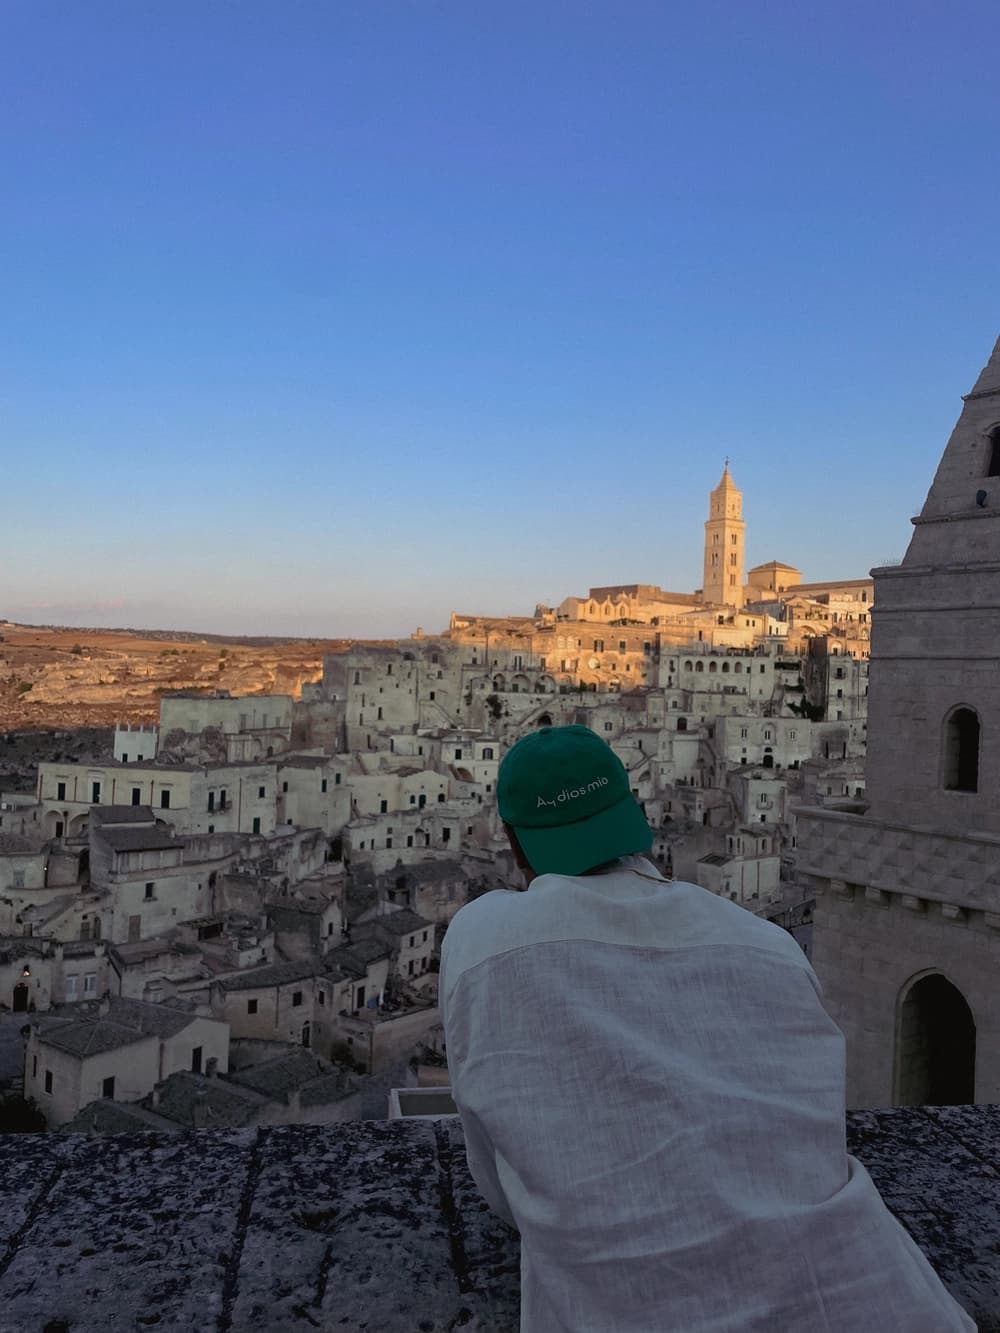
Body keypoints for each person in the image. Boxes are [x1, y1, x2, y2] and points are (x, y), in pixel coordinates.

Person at [439, 724, 976, 1332]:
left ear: (513, 842)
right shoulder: (770, 945)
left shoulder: (484, 943)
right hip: (879, 1301)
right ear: (631, 815)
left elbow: (500, 1183)